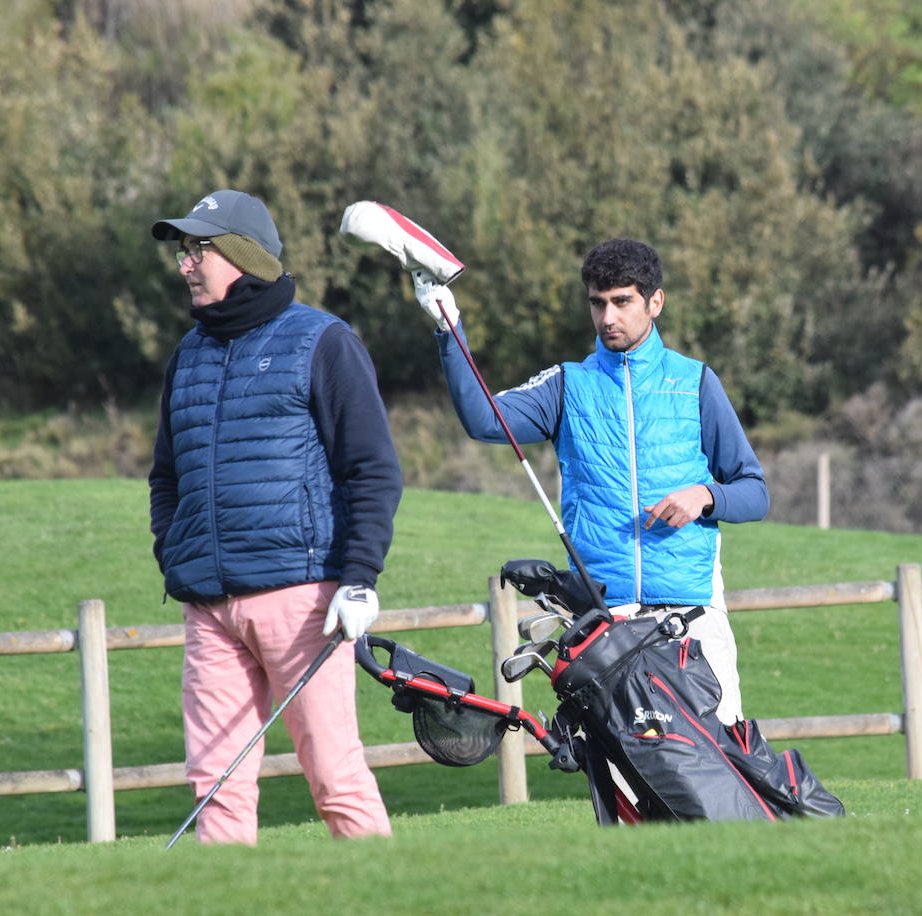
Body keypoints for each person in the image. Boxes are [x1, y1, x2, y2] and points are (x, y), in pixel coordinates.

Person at [417, 238, 769, 725]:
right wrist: (448, 327)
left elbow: (755, 491)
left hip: (694, 616)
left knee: (724, 769)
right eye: (598, 304)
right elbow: (484, 419)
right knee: (633, 782)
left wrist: (705, 495)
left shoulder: (696, 382)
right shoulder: (566, 384)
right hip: (607, 617)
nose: (608, 318)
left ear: (655, 302)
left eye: (622, 301)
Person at [148, 189, 400, 843]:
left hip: (304, 601)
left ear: (240, 255)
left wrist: (360, 578)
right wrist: (173, 554)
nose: (185, 265)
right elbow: (165, 476)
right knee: (215, 791)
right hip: (210, 607)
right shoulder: (187, 354)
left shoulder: (323, 341)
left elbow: (372, 469)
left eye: (196, 249)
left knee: (335, 780)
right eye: (184, 251)